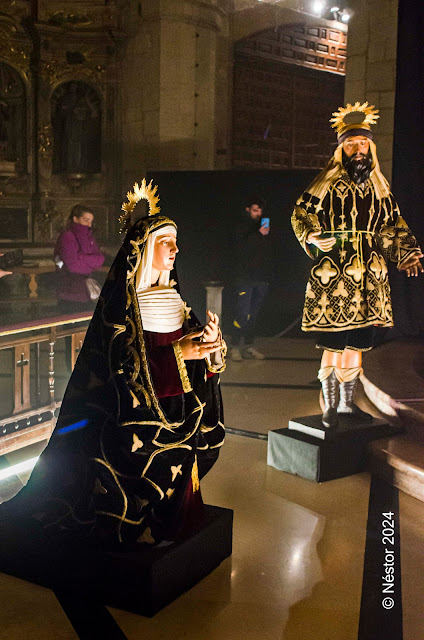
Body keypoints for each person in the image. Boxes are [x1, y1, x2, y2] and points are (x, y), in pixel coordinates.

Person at [0, 179, 226, 550]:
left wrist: (211, 348)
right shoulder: (125, 306)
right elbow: (118, 365)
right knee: (136, 461)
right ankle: (138, 520)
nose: (174, 249)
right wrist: (177, 354)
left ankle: (172, 517)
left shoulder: (175, 300)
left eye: (175, 241)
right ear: (147, 248)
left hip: (176, 403)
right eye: (165, 242)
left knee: (184, 458)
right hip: (133, 412)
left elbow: (199, 356)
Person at [292, 102, 423, 428]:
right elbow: (300, 212)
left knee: (357, 343)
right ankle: (330, 404)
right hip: (334, 273)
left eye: (362, 143)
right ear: (342, 149)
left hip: (369, 277)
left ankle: (348, 404)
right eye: (351, 144)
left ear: (370, 147)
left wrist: (406, 252)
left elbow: (392, 224)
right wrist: (310, 236)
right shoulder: (326, 182)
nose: (358, 149)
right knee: (334, 343)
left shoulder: (379, 187)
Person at [231, 195, 272, 361]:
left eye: (260, 210)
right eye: (255, 210)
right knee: (242, 312)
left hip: (261, 277)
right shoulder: (240, 227)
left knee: (253, 314)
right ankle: (234, 346)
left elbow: (267, 251)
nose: (258, 213)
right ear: (248, 210)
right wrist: (258, 235)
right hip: (244, 277)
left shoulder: (263, 226)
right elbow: (240, 249)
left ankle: (248, 345)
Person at [55, 204, 105, 313]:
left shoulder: (89, 237)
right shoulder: (67, 236)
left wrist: (81, 257)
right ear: (75, 219)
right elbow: (73, 266)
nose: (89, 224)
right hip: (70, 292)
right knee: (72, 328)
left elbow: (100, 260)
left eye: (91, 221)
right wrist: (90, 262)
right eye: (86, 220)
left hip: (87, 293)